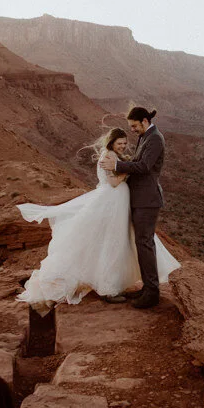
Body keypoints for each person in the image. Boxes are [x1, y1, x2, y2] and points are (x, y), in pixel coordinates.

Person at [16, 124, 180, 310]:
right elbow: (114, 181)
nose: (123, 146)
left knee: (117, 243)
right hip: (111, 203)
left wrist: (124, 165)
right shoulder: (108, 156)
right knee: (110, 243)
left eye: (125, 143)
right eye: (119, 143)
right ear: (112, 142)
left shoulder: (115, 156)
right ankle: (107, 289)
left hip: (118, 203)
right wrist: (128, 169)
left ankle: (115, 284)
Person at [98, 105, 166, 309]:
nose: (133, 130)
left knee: (145, 244)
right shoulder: (146, 136)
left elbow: (144, 166)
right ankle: (147, 287)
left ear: (145, 121)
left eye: (134, 126)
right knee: (141, 244)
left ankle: (152, 293)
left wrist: (117, 166)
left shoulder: (155, 138)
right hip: (140, 199)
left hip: (147, 200)